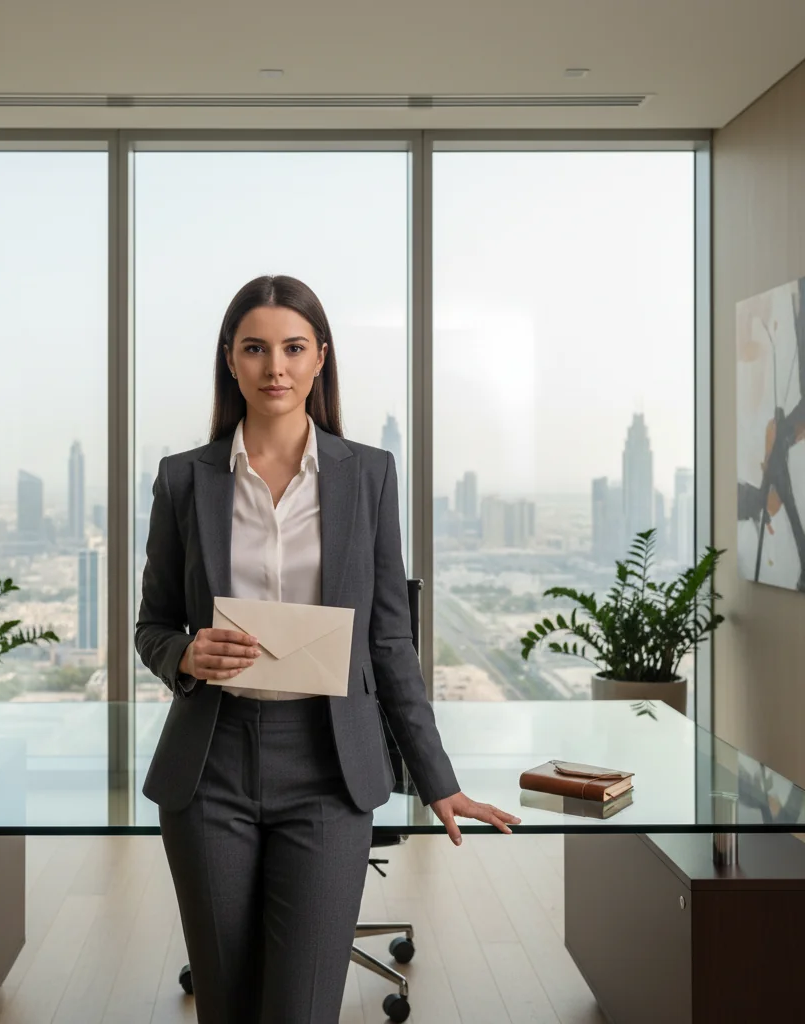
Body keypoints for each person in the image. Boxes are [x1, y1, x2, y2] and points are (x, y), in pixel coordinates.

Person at [136, 275, 520, 1024]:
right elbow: (152, 626)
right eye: (255, 348)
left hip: (326, 770)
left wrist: (436, 779)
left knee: (303, 1008)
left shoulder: (367, 475)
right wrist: (184, 655)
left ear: (319, 360)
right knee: (227, 1003)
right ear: (230, 360)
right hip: (209, 768)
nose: (274, 366)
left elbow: (388, 640)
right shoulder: (184, 480)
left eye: (292, 348)